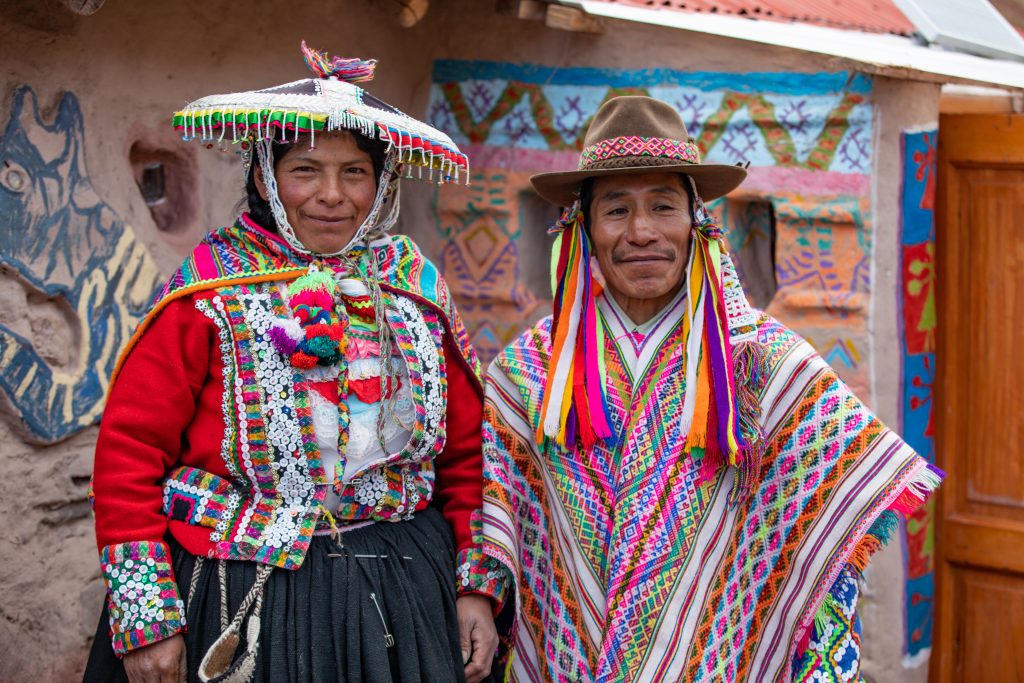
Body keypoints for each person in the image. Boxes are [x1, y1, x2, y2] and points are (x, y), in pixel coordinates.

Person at [477, 96, 943, 682]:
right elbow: (493, 515)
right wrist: (479, 596)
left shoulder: (763, 362)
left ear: (697, 221)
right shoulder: (531, 371)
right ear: (584, 227)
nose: (641, 231)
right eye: (616, 209)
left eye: (664, 206)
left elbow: (826, 544)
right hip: (565, 660)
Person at [84, 43, 502, 683]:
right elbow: (130, 452)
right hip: (238, 589)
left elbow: (467, 455)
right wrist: (148, 618)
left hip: (401, 587)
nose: (332, 196)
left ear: (382, 181)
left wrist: (475, 586)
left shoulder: (414, 289)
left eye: (355, 172)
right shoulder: (209, 291)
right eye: (305, 170)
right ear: (264, 177)